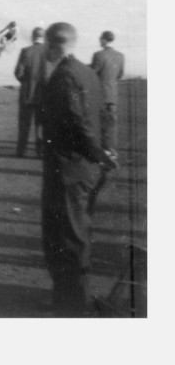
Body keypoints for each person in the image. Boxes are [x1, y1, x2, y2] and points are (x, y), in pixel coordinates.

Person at [38, 22, 117, 317]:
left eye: (46, 44)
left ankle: (72, 308)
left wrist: (98, 154)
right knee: (73, 235)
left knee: (67, 239)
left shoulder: (65, 76)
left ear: (52, 44)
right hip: (80, 169)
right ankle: (67, 300)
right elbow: (104, 115)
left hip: (69, 170)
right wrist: (106, 150)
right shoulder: (86, 72)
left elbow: (76, 122)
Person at [13, 26, 47, 158]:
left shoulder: (26, 51)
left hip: (27, 94)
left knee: (24, 124)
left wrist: (26, 82)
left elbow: (18, 72)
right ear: (43, 38)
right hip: (43, 95)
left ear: (33, 37)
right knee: (41, 125)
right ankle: (40, 151)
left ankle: (21, 151)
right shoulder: (48, 52)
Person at [90, 31, 125, 153]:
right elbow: (120, 74)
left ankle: (103, 150)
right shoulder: (120, 56)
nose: (100, 41)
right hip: (112, 95)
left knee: (99, 123)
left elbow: (92, 73)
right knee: (112, 125)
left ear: (104, 40)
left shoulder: (98, 55)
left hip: (100, 95)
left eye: (101, 39)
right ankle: (111, 150)